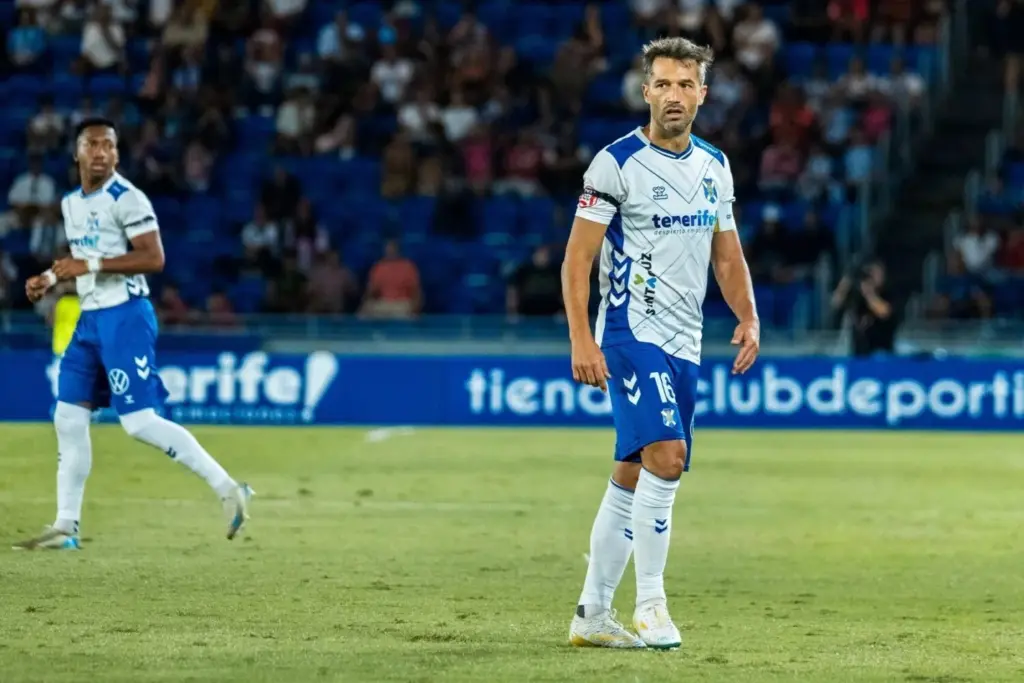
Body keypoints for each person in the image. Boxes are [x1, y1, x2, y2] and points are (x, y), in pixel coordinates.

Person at [561, 38, 759, 649]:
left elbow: (727, 256)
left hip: (685, 340)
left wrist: (749, 317)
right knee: (668, 458)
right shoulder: (615, 163)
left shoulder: (715, 165)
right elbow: (576, 261)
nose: (674, 95)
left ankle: (592, 615)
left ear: (703, 92)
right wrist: (581, 340)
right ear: (646, 91)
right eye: (664, 84)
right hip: (628, 333)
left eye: (686, 84)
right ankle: (651, 605)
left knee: (632, 471)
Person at [14, 118, 252, 551]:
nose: (100, 152)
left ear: (118, 155)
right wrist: (51, 276)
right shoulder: (71, 203)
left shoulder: (128, 198)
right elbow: (85, 256)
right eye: (92, 145)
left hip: (126, 316)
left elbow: (154, 257)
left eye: (108, 145)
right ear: (77, 153)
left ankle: (228, 488)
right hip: (89, 319)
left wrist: (89, 267)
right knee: (67, 417)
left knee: (140, 423)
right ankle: (65, 526)